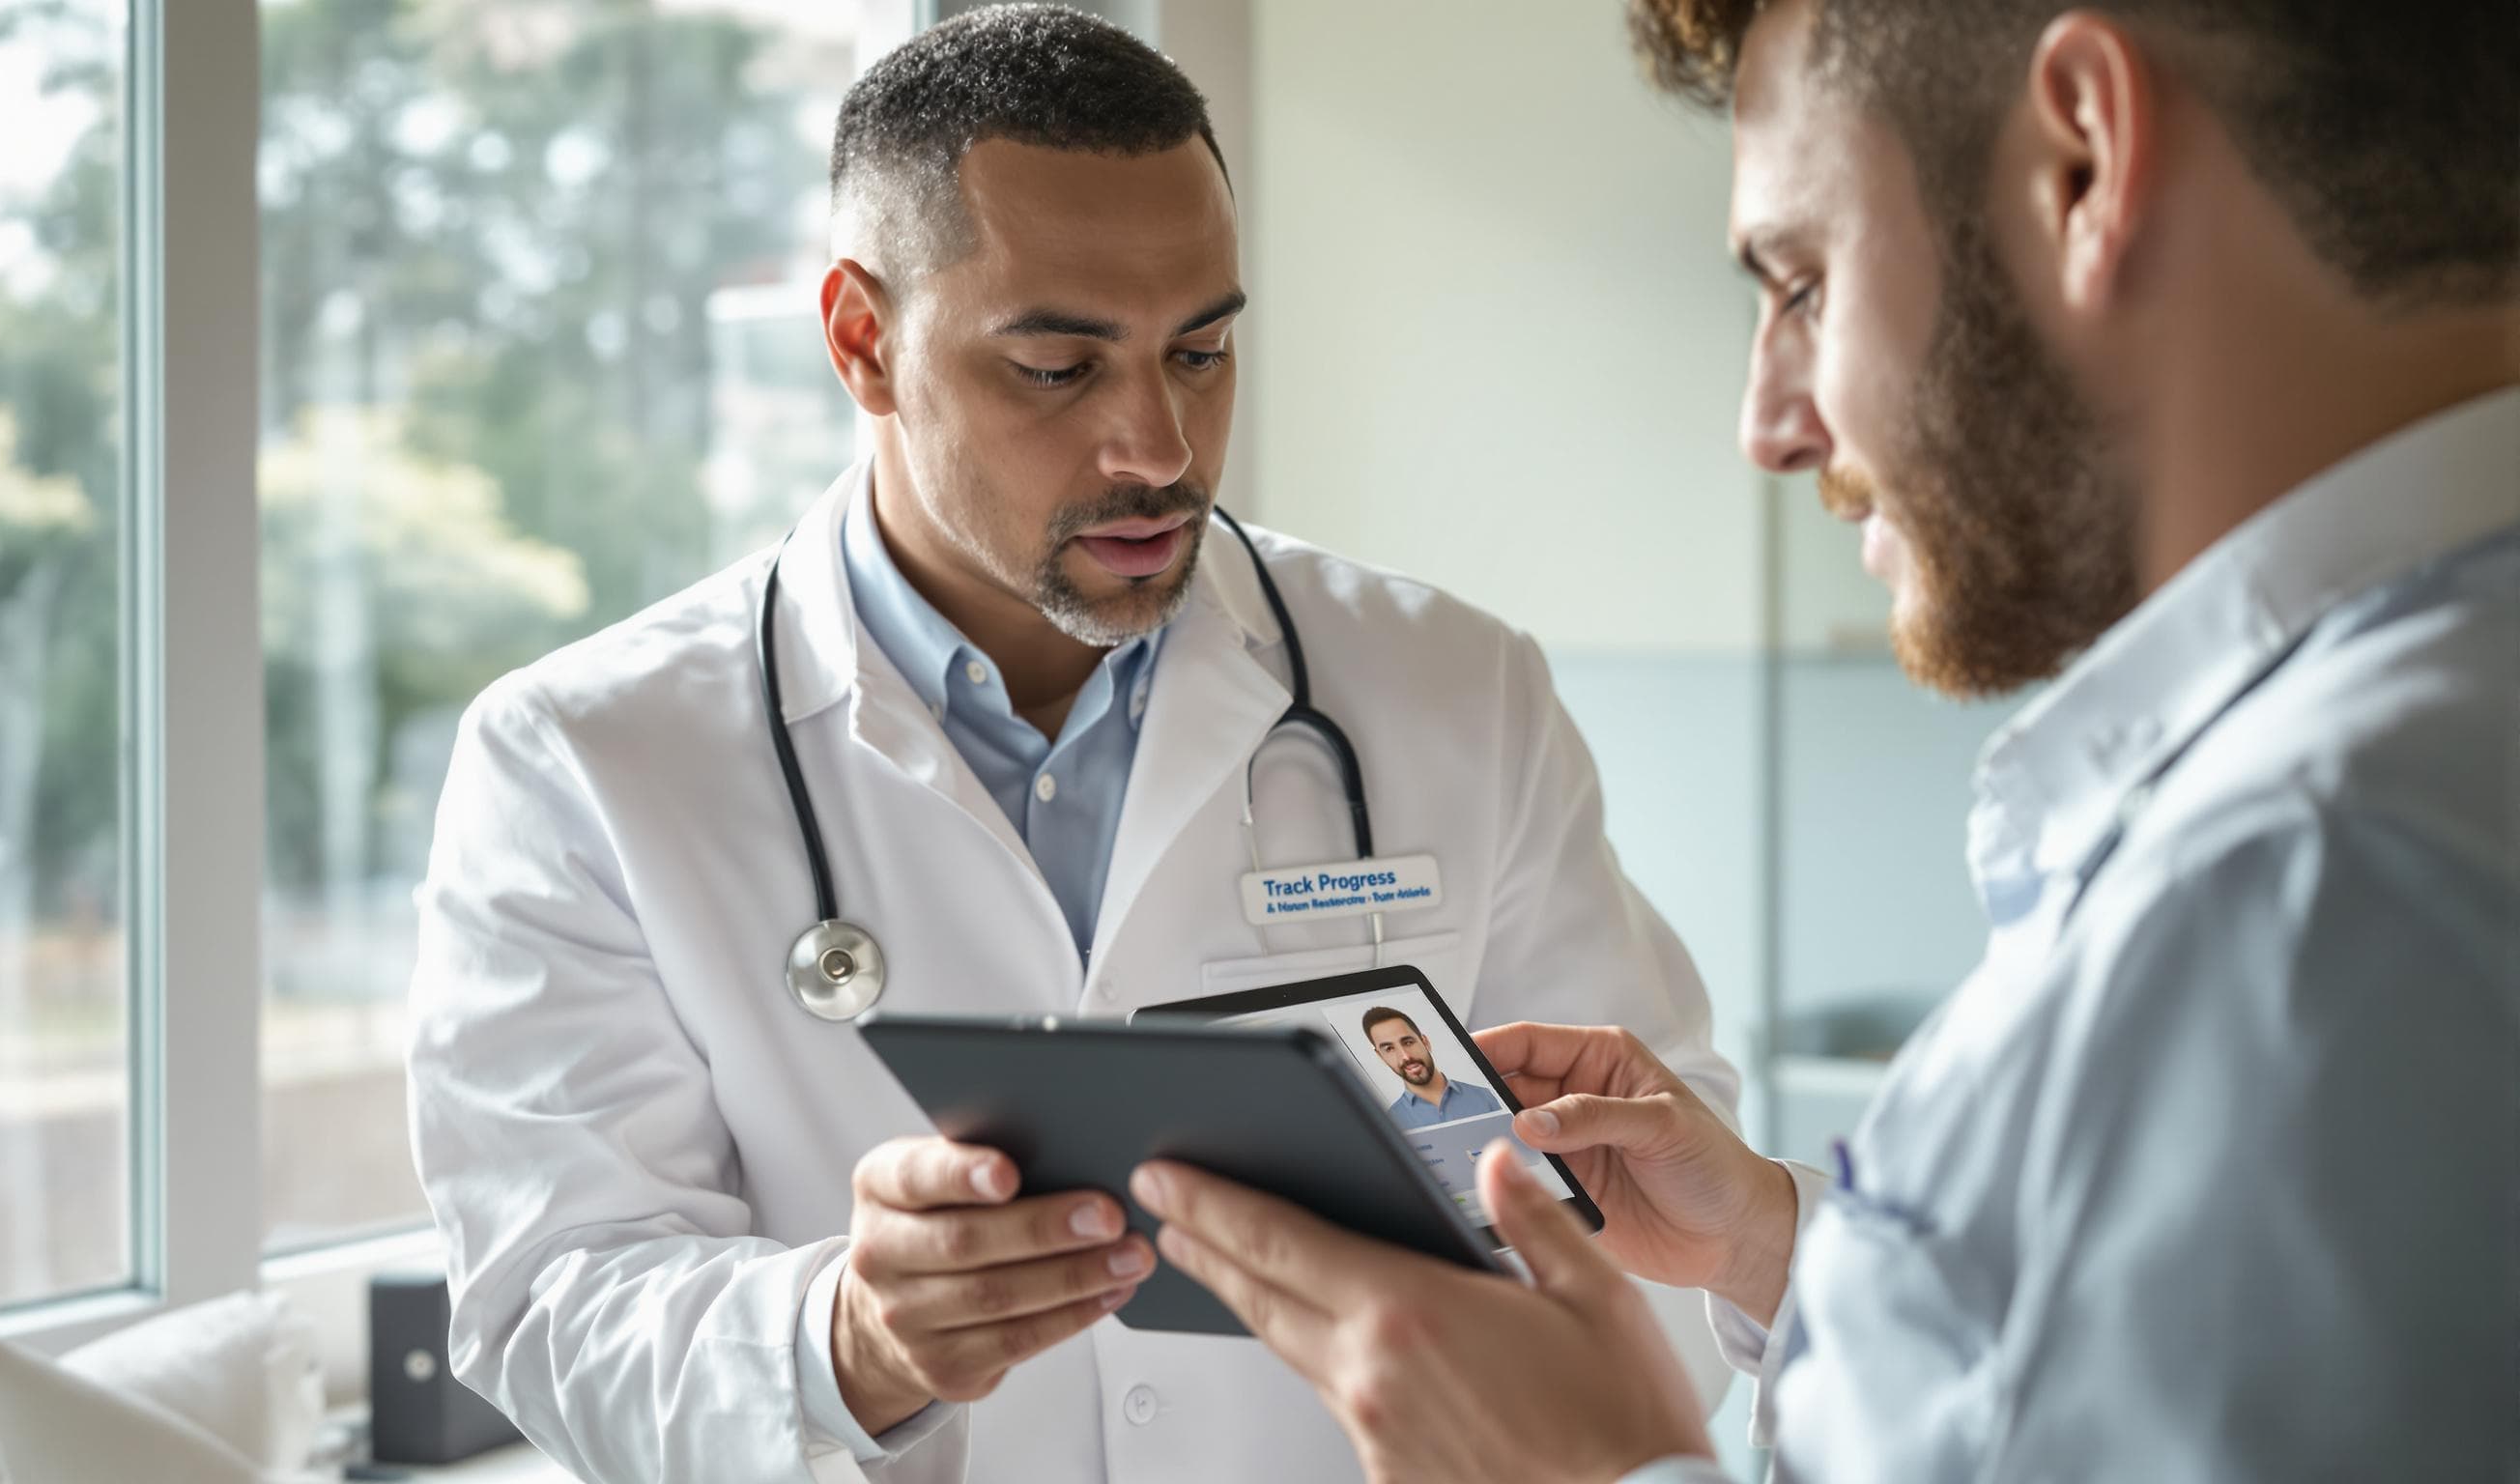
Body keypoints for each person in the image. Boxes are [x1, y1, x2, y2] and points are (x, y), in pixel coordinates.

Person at [1131, 0, 2519, 1478]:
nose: (1770, 424)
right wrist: (1776, 1246)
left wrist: (1593, 1468)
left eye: (1802, 282)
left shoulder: (2308, 887)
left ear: (2082, 164)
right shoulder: (2392, 786)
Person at [406, 7, 1739, 1482]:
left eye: (1203, 349)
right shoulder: (585, 759)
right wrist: (851, 1339)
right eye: (1057, 367)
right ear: (862, 341)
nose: (1158, 447)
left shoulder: (1451, 687)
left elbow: (1664, 1218)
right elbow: (551, 1297)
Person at [1361, 1008, 1501, 1129]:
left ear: (1425, 1042)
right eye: (1389, 1049)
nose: (1405, 1057)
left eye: (1408, 1042)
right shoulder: (1390, 1123)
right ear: (1381, 1057)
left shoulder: (1485, 1097)